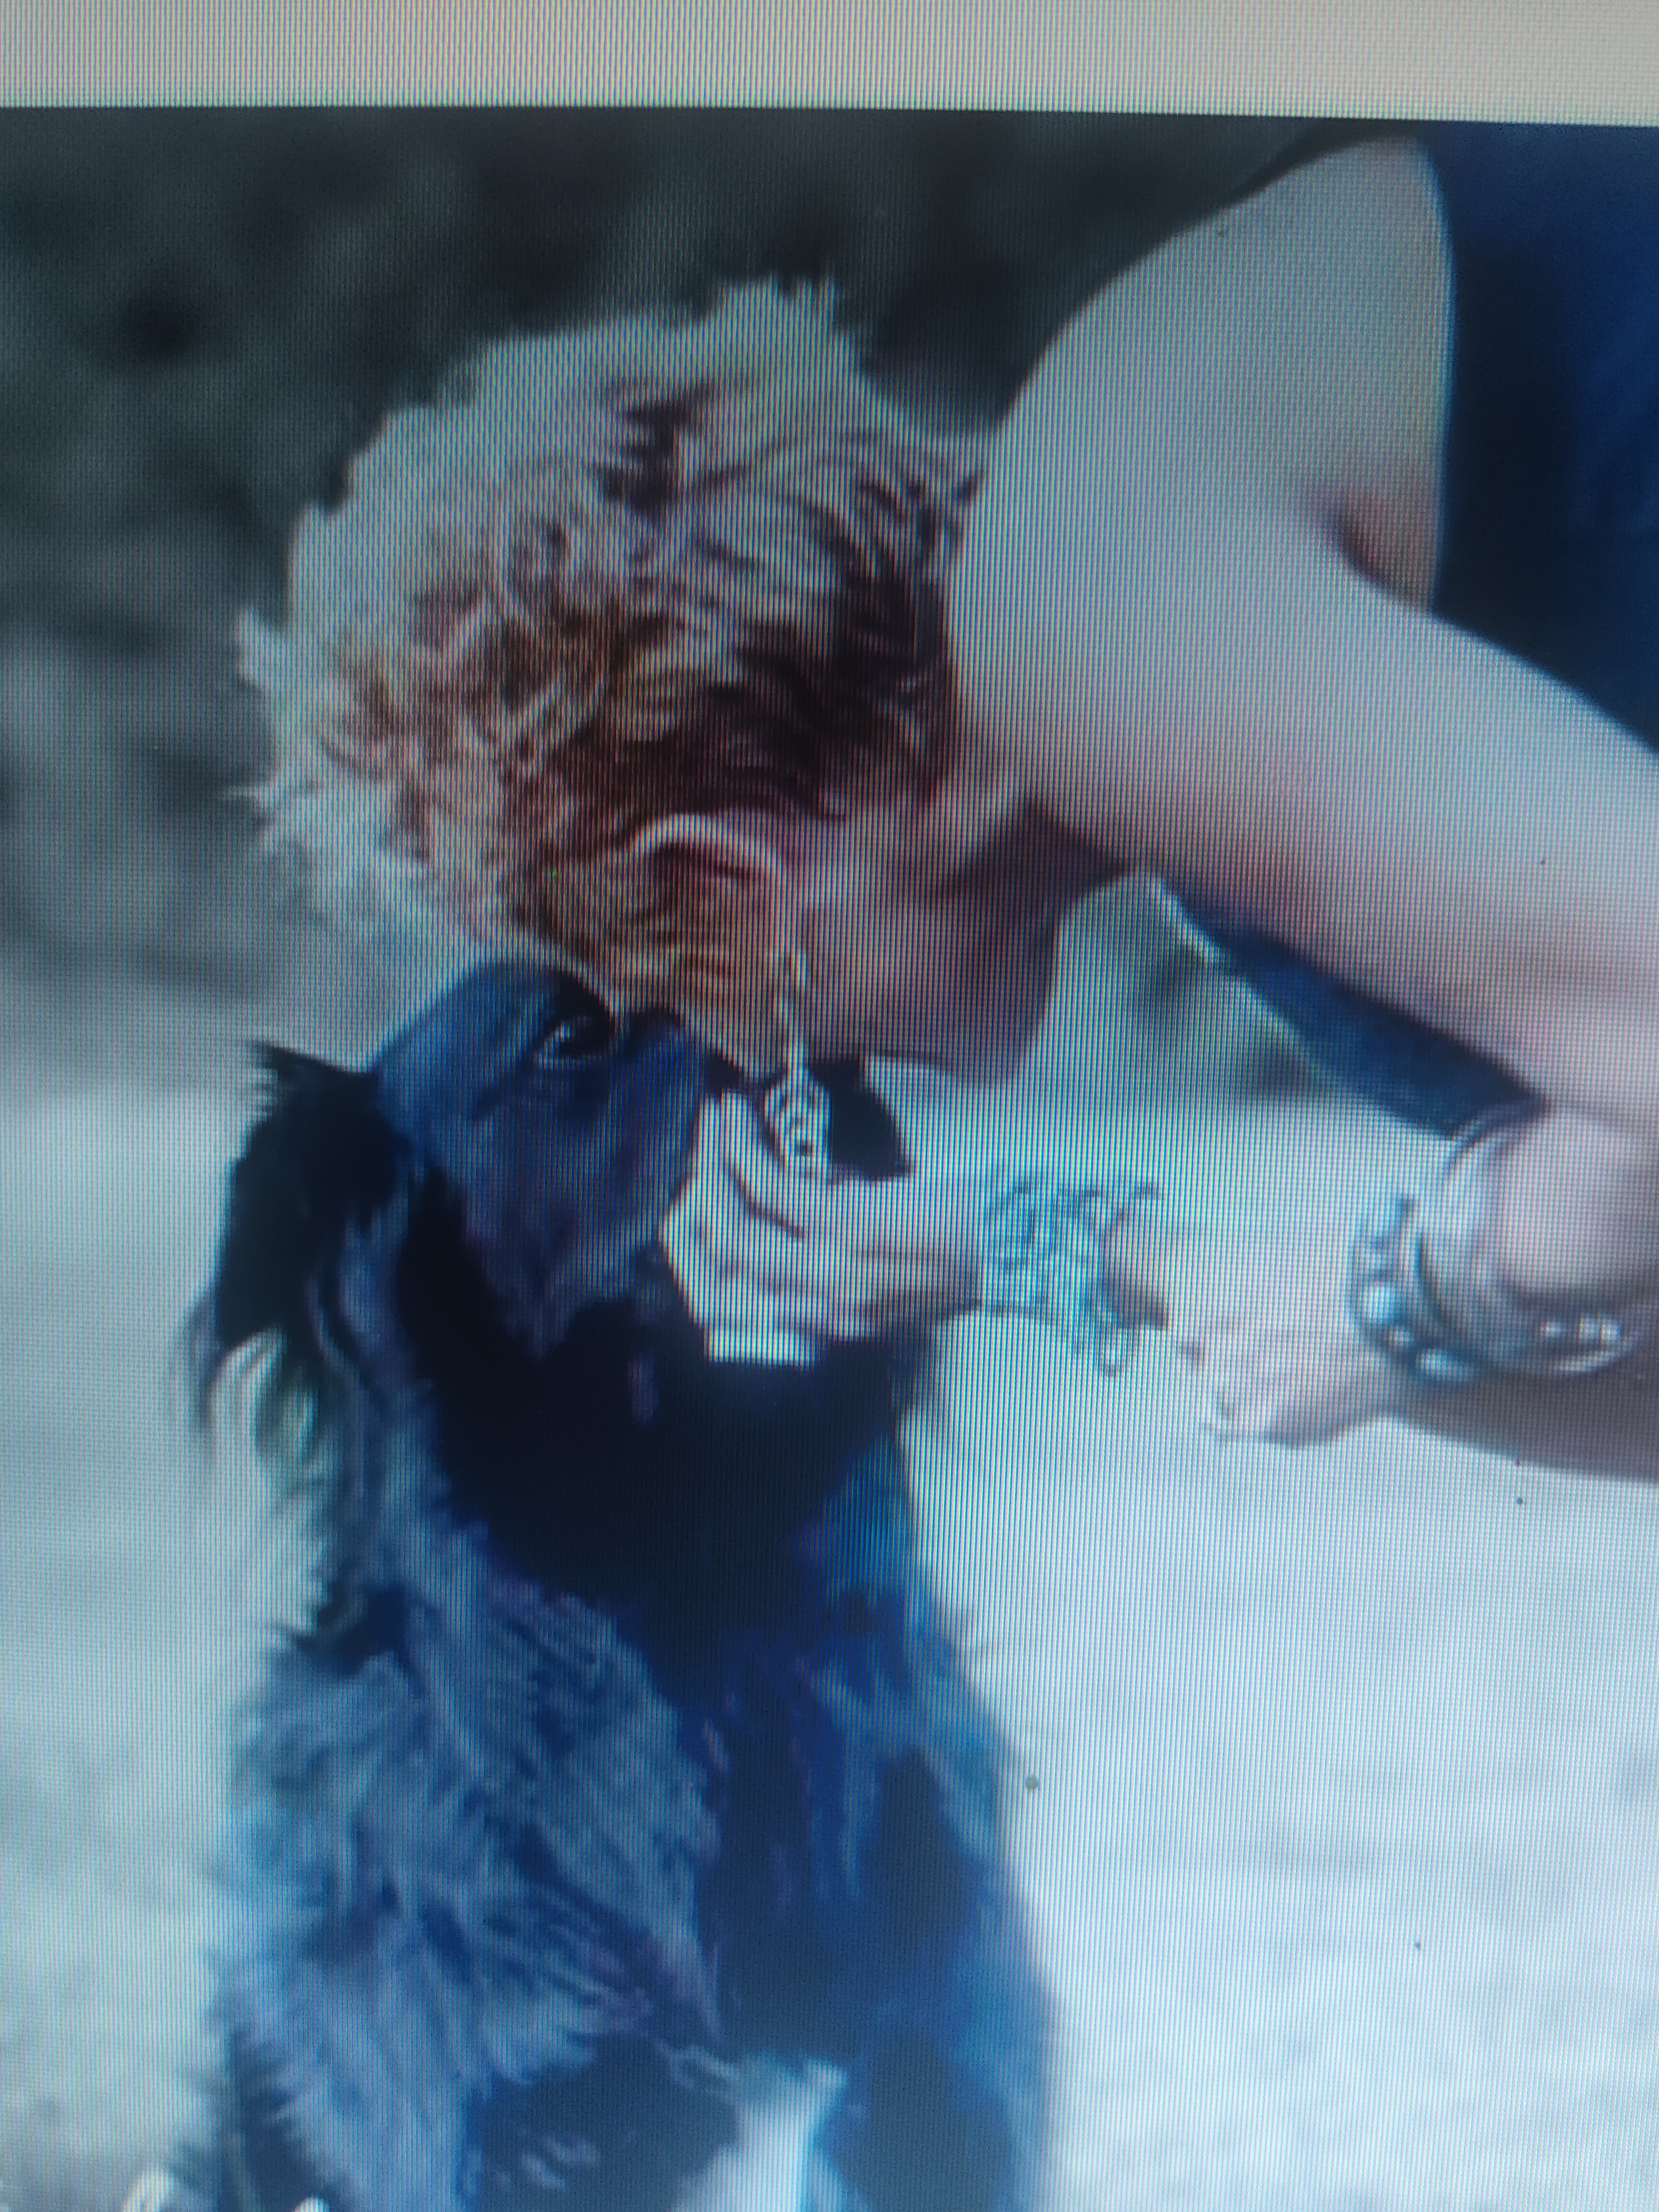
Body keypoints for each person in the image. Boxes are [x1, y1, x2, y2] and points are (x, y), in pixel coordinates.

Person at [241, 126, 1659, 1468]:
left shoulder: (1078, 601)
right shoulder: (1163, 734)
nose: (739, 1066)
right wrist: (1076, 1252)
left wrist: (1401, 1302)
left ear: (720, 878)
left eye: (677, 1004)